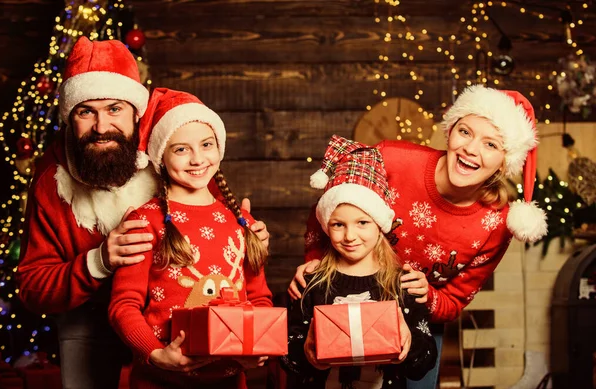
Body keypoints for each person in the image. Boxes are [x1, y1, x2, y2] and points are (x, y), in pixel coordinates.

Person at [16, 37, 268, 389]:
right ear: (69, 119)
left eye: (115, 109)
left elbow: (215, 235)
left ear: (137, 112)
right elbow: (31, 288)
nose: (102, 127)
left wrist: (248, 236)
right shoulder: (51, 182)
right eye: (85, 112)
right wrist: (97, 262)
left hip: (175, 319)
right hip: (91, 318)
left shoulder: (170, 152)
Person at [289, 85, 548, 388]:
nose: (471, 149)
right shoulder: (393, 159)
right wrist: (316, 266)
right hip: (344, 301)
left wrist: (427, 295)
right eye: (465, 132)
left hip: (417, 321)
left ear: (505, 161)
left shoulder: (495, 223)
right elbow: (332, 207)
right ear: (449, 131)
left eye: (491, 144)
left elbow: (455, 301)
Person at [108, 88, 273, 389]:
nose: (197, 159)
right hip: (161, 381)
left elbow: (259, 298)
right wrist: (155, 353)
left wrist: (256, 346)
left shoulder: (242, 223)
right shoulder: (145, 221)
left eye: (206, 144)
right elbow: (124, 305)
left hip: (230, 381)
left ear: (219, 148)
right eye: (181, 149)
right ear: (161, 157)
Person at [281, 135, 437, 389]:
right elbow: (287, 355)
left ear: (379, 225)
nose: (350, 236)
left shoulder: (403, 284)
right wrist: (306, 352)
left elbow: (423, 364)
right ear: (326, 227)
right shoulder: (311, 283)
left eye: (362, 222)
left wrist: (409, 344)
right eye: (338, 225)